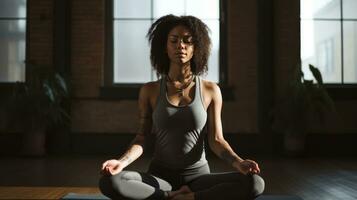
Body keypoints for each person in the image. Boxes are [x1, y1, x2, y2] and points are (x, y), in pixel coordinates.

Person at [99, 14, 265, 200]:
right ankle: (172, 196)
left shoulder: (211, 90)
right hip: (159, 177)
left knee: (255, 183)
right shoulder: (150, 90)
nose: (181, 46)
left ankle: (189, 197)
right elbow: (142, 138)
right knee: (109, 181)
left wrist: (239, 163)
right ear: (165, 46)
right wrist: (120, 163)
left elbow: (217, 140)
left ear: (196, 48)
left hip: (199, 177)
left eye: (188, 41)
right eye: (174, 40)